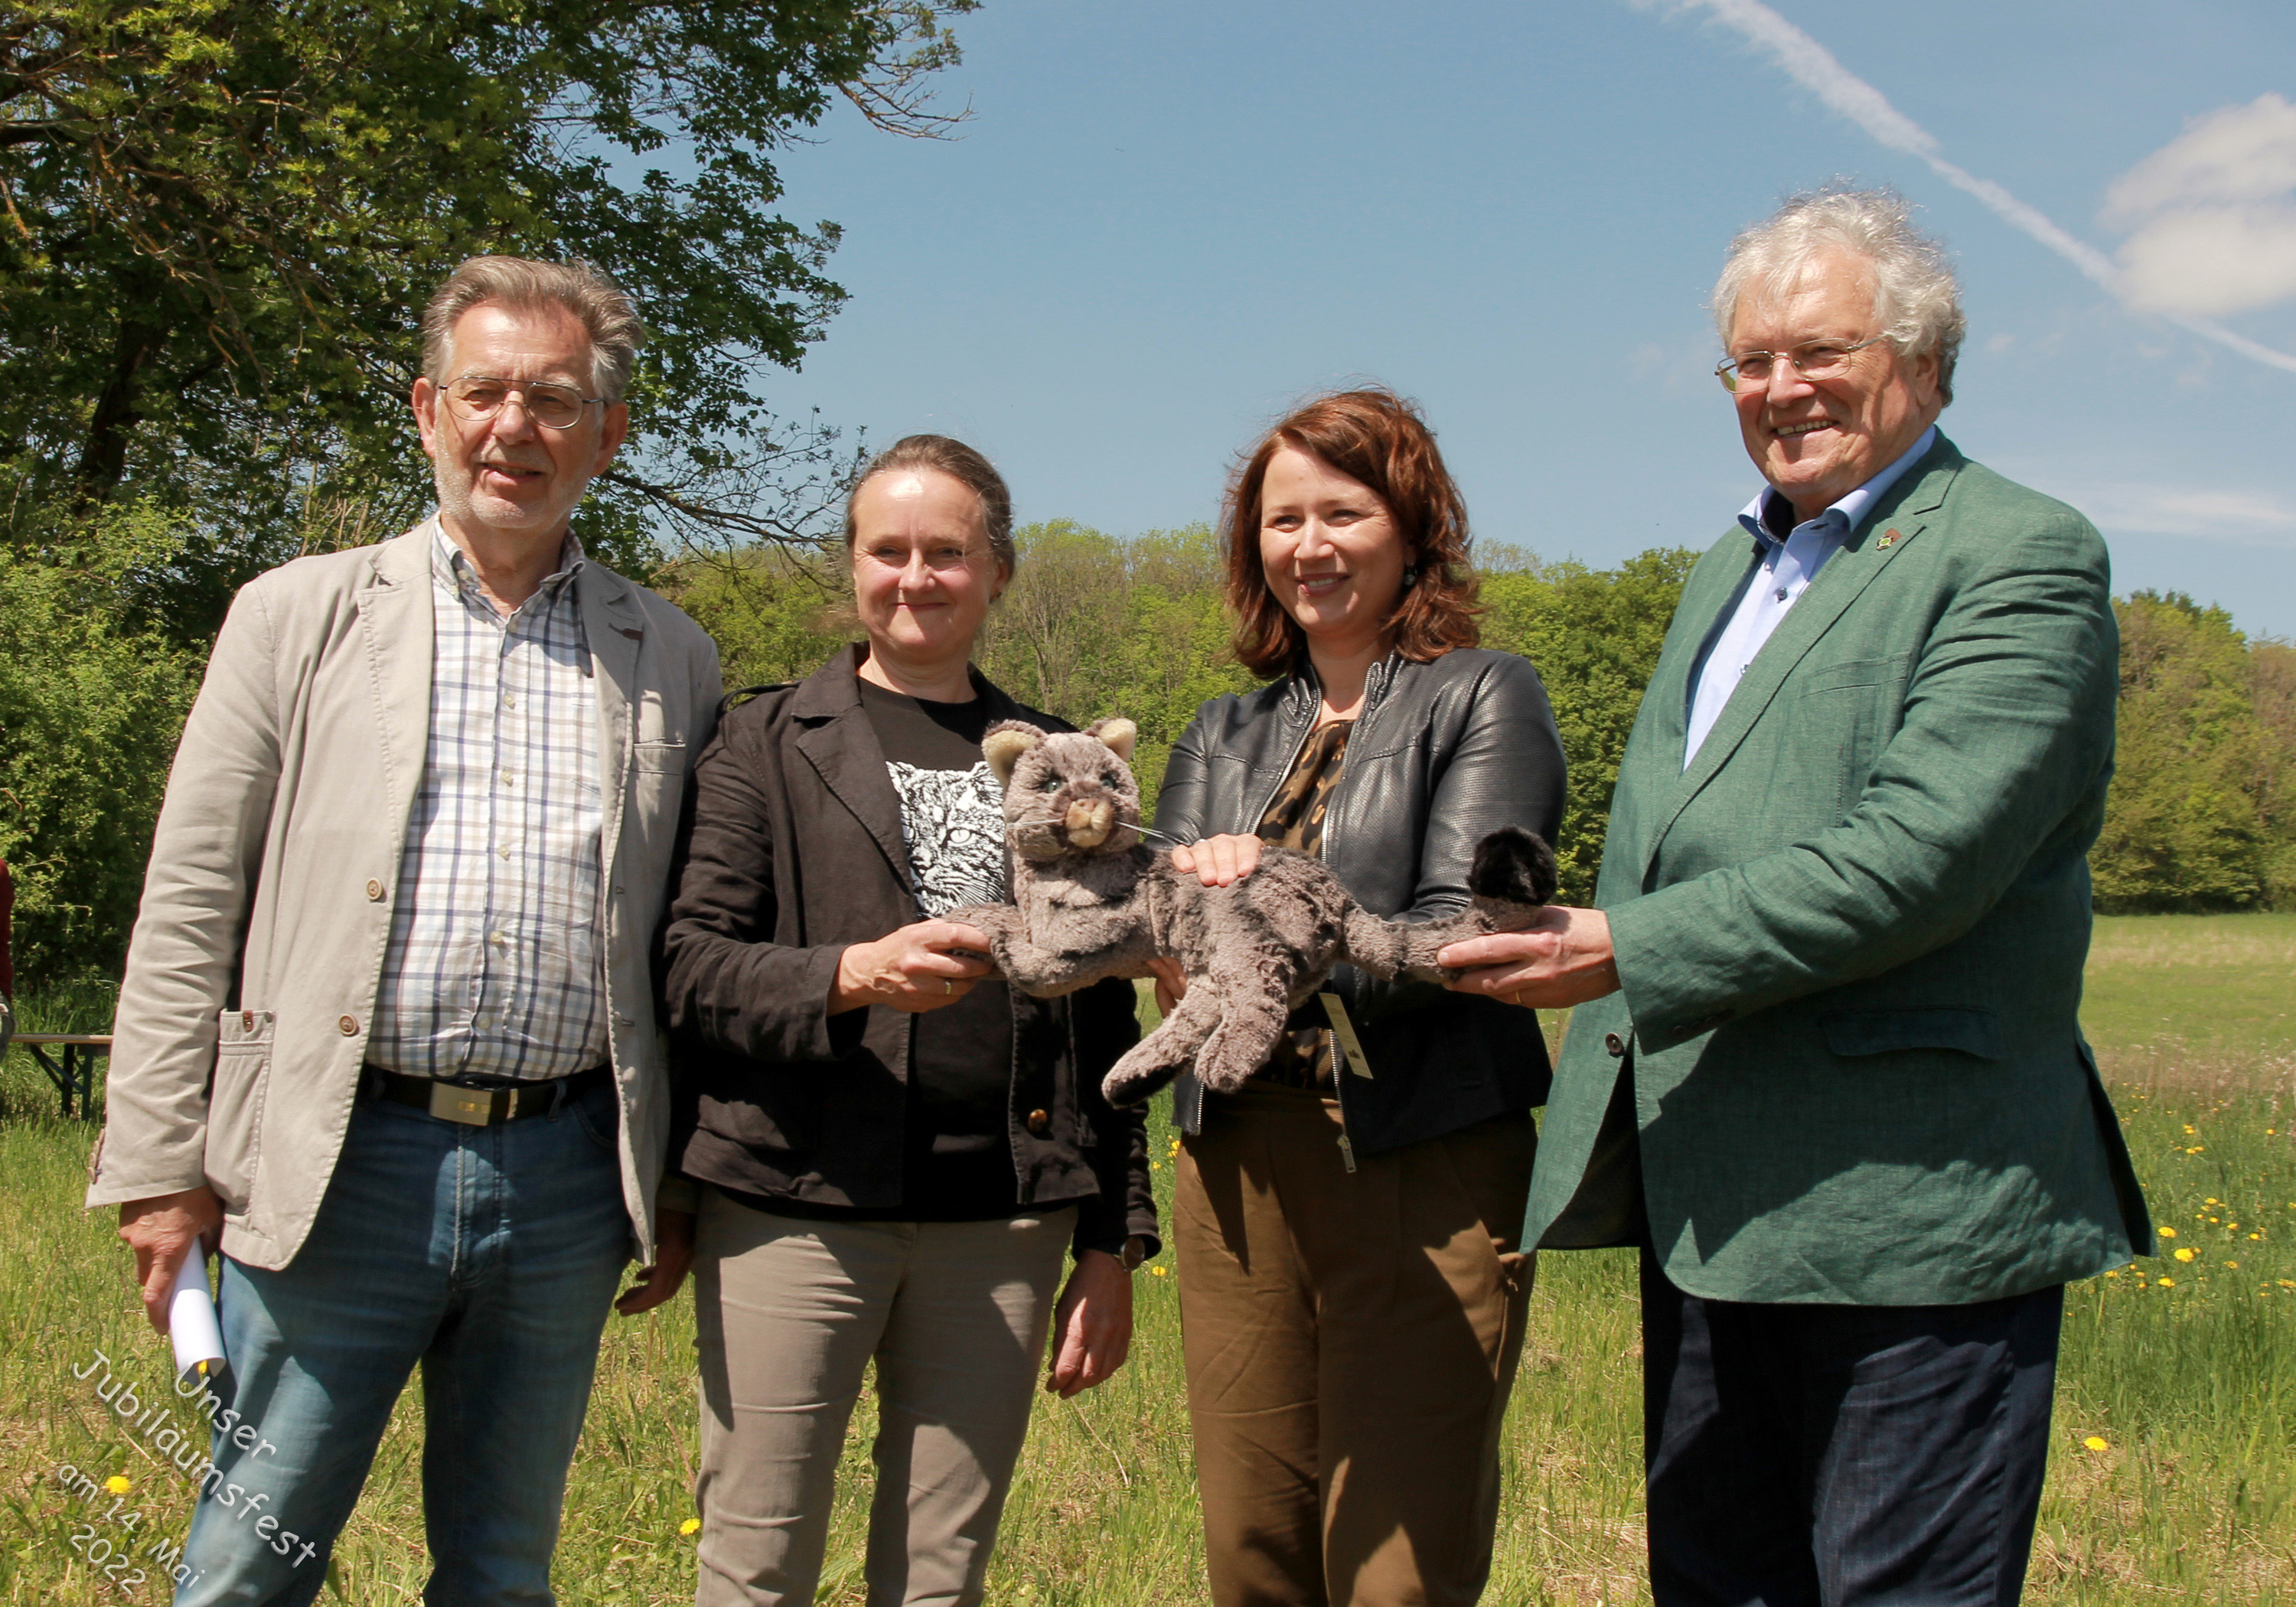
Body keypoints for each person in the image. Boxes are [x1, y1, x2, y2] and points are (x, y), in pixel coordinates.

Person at [1442, 188, 2152, 1607]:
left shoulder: (2018, 552)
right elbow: (1681, 833)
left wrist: (1625, 950)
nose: (1780, 389)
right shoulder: (1729, 564)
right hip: (1716, 1203)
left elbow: (1922, 859)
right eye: (1750, 363)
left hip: (1911, 1207)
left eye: (1819, 351)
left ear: (1927, 360)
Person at [86, 256, 722, 1605]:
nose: (516, 429)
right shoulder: (294, 615)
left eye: (555, 401)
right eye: (485, 392)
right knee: (250, 1562)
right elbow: (191, 893)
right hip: (332, 1166)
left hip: (563, 1179)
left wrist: (673, 1177)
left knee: (501, 1571)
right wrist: (156, 1166)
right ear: (429, 410)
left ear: (607, 437)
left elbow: (685, 937)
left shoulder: (671, 653)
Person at [657, 434, 1156, 1607]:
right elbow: (688, 965)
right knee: (755, 1564)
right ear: (852, 568)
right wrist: (849, 975)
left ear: (998, 573)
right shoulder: (763, 740)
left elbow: (1105, 1017)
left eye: (948, 552)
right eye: (888, 551)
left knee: (939, 1582)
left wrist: (1112, 1240)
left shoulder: (1062, 762)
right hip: (795, 1205)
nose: (915, 577)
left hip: (1002, 1220)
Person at [1154, 389, 1567, 1607]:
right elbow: (1164, 931)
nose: (1311, 546)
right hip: (1234, 1158)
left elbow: (1457, 933)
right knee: (1253, 1551)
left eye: (1344, 511)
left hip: (1418, 1152)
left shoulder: (1484, 694)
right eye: (1284, 521)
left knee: (1396, 1566)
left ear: (1412, 528)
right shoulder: (1221, 731)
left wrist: (1266, 911)